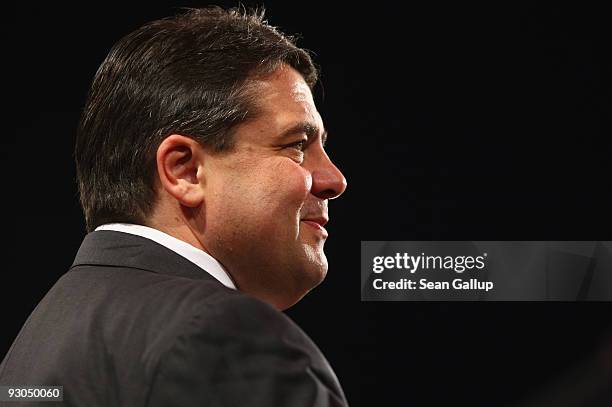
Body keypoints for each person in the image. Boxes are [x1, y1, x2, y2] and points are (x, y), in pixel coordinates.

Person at [0, 6, 348, 406]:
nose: (335, 180)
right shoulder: (227, 338)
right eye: (297, 146)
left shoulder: (46, 333)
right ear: (184, 170)